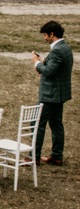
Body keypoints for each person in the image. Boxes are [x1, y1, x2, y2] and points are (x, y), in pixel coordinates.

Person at [32, 20, 72, 165]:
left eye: (45, 35)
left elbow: (49, 71)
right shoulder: (65, 47)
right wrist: (42, 67)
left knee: (36, 123)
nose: (45, 38)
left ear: (52, 34)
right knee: (56, 124)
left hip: (50, 95)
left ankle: (33, 157)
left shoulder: (57, 50)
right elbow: (54, 70)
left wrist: (37, 63)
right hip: (60, 94)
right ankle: (56, 155)